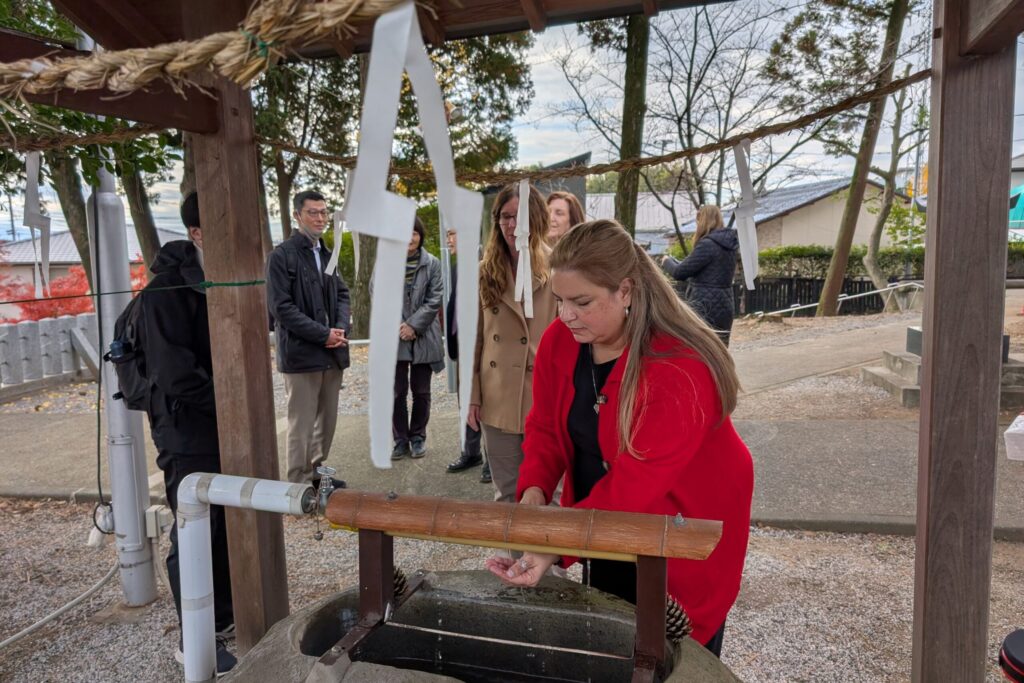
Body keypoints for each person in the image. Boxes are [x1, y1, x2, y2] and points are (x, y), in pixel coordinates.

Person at [485, 219, 753, 657]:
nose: (566, 314)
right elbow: (546, 427)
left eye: (582, 301)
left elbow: (635, 486)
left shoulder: (678, 367)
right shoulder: (563, 339)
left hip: (683, 518)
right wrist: (534, 491)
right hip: (604, 518)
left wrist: (552, 545)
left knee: (671, 650)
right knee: (611, 635)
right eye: (560, 300)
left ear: (626, 291)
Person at [143, 192, 235, 673]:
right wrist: (232, 404)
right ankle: (193, 637)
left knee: (225, 519)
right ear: (197, 232)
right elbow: (176, 374)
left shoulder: (223, 279)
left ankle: (223, 614)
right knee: (194, 526)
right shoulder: (166, 291)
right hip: (183, 427)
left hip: (222, 423)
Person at [469, 183, 557, 502]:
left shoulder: (559, 267)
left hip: (545, 397)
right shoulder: (484, 273)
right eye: (505, 216)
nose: (511, 225)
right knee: (507, 491)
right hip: (499, 396)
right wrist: (472, 396)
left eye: (519, 216)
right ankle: (510, 554)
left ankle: (548, 555)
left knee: (550, 491)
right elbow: (474, 340)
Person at [266, 190, 350, 487]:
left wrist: (339, 329)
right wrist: (322, 334)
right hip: (302, 355)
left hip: (331, 352)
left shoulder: (328, 253)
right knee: (300, 425)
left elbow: (342, 294)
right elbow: (281, 308)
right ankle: (297, 485)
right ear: (297, 215)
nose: (320, 218)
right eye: (313, 212)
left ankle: (315, 471)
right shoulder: (282, 256)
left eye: (324, 212)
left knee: (326, 423)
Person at [392, 217, 444, 460]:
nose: (410, 238)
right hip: (395, 335)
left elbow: (435, 298)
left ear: (420, 235)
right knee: (396, 391)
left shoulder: (432, 263)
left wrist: (413, 325)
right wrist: (400, 326)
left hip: (424, 335)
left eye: (414, 233)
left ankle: (418, 437)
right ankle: (400, 439)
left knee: (421, 391)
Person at [442, 226, 487, 479]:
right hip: (463, 345)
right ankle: (471, 452)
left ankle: (493, 459)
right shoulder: (460, 266)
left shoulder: (487, 263)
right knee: (466, 401)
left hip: (485, 345)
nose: (448, 240)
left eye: (453, 233)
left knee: (488, 401)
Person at [660, 205, 738, 345]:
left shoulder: (707, 244)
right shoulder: (730, 245)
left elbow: (679, 272)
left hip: (704, 306)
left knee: (699, 351)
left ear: (703, 221)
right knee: (720, 353)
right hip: (725, 303)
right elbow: (704, 270)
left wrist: (666, 261)